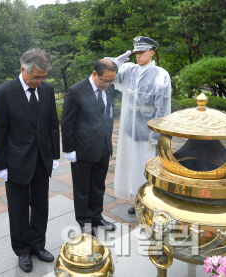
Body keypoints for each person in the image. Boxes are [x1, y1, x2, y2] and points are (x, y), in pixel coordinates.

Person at [0, 49, 60, 272]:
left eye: (43, 77)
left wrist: (54, 155)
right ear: (23, 69)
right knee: (19, 209)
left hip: (42, 159)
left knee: (41, 205)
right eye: (35, 77)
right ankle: (21, 250)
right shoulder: (4, 92)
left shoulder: (47, 90)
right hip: (16, 161)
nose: (39, 81)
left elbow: (52, 125)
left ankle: (37, 244)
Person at [109, 36, 172, 214]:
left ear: (152, 52)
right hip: (130, 128)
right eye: (136, 52)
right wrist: (116, 62)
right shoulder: (129, 70)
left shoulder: (161, 75)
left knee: (146, 166)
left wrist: (157, 134)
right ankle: (137, 198)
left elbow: (162, 106)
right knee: (131, 164)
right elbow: (109, 75)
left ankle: (149, 200)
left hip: (147, 129)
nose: (138, 55)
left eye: (142, 52)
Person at [61, 59, 117, 237]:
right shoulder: (76, 91)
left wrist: (108, 143)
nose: (107, 84)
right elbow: (67, 122)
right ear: (94, 74)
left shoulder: (110, 89)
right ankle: (84, 221)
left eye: (110, 81)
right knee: (82, 188)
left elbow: (107, 116)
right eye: (104, 80)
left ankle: (96, 216)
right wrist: (69, 149)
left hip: (103, 147)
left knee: (98, 185)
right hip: (82, 149)